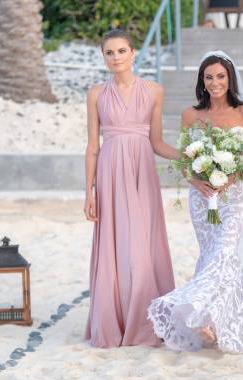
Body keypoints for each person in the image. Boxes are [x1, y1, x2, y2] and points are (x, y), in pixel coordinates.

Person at [147, 51, 243, 353]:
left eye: (220, 76)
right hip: (201, 198)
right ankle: (216, 322)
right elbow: (186, 159)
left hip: (235, 197)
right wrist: (196, 181)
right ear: (202, 81)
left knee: (224, 252)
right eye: (208, 77)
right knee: (211, 256)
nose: (215, 83)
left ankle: (190, 307)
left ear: (230, 78)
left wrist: (232, 177)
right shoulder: (190, 115)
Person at [84, 29, 178, 348]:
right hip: (110, 174)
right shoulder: (96, 93)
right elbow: (92, 146)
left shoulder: (154, 91)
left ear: (134, 53)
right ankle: (117, 318)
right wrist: (89, 191)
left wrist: (193, 157)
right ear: (103, 57)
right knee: (115, 243)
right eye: (109, 53)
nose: (116, 58)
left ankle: (146, 318)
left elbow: (157, 142)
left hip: (142, 172)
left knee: (142, 242)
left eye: (122, 51)